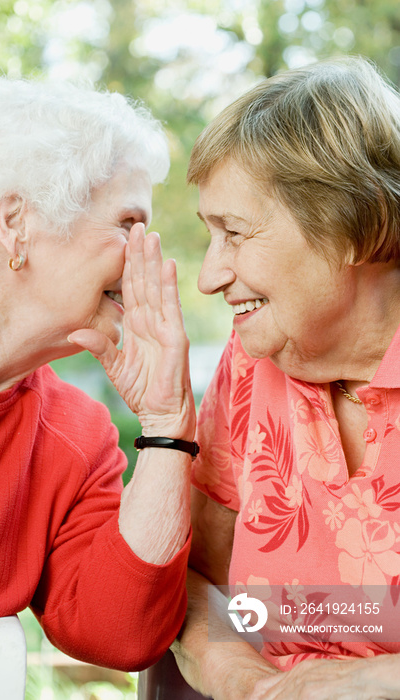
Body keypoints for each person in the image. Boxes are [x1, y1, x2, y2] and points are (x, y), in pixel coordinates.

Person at [0, 75, 197, 699]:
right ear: (16, 223)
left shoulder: (75, 435)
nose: (147, 258)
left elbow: (120, 634)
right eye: (128, 223)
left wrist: (167, 426)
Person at [171, 57, 400, 699]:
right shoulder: (250, 366)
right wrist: (254, 686)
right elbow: (195, 583)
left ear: (358, 224)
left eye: (235, 233)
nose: (209, 276)